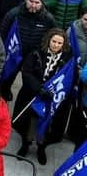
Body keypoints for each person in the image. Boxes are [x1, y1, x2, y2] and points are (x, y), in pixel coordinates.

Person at [13, 28, 73, 164]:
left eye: (59, 43)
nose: (56, 45)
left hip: (52, 100)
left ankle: (41, 148)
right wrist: (38, 89)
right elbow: (26, 72)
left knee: (47, 126)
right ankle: (26, 144)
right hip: (34, 96)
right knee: (30, 124)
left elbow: (69, 78)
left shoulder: (68, 59)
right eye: (54, 41)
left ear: (64, 44)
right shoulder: (36, 53)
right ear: (48, 40)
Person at [0, 0, 57, 100]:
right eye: (31, 1)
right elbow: (3, 34)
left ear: (42, 3)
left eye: (37, 2)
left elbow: (52, 37)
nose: (33, 5)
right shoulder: (14, 14)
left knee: (29, 88)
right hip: (14, 55)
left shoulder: (48, 19)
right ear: (26, 0)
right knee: (4, 83)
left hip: (33, 58)